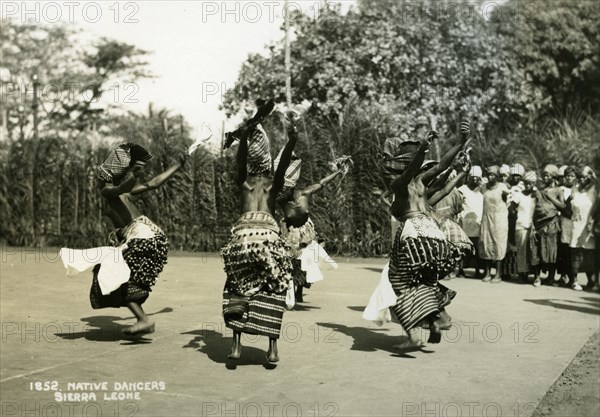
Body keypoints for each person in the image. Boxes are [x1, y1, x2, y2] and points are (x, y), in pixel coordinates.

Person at [61, 142, 189, 335]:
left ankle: (143, 319)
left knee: (112, 276)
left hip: (142, 236)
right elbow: (154, 183)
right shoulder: (125, 192)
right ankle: (141, 318)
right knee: (122, 276)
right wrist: (177, 165)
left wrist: (134, 176)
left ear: (104, 179)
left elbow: (119, 188)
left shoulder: (108, 192)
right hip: (154, 236)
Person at [220, 108, 298, 363]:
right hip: (267, 238)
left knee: (236, 284)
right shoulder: (273, 185)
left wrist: (243, 137)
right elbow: (285, 160)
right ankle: (272, 348)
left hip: (241, 238)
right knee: (274, 286)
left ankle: (235, 346)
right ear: (268, 165)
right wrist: (293, 138)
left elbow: (240, 160)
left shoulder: (244, 183)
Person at [383, 119, 469, 349]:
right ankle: (434, 321)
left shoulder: (398, 186)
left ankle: (413, 335)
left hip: (414, 233)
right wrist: (460, 142)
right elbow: (441, 167)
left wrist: (421, 149)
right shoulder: (421, 183)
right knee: (425, 279)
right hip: (434, 235)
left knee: (397, 282)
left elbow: (416, 169)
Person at [275, 153, 352, 302]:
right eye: (281, 188)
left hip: (306, 232)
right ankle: (288, 290)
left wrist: (338, 171)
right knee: (290, 263)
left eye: (285, 188)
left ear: (292, 188)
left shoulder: (304, 194)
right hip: (290, 234)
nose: (282, 191)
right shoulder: (280, 201)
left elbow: (322, 182)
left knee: (307, 263)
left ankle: (300, 289)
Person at [531, 164, 565, 287]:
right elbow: (535, 207)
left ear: (554, 176)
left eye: (548, 175)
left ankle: (550, 278)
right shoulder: (540, 191)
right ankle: (537, 277)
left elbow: (562, 206)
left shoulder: (558, 190)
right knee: (537, 251)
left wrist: (550, 196)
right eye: (544, 175)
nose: (545, 177)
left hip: (552, 224)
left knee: (552, 252)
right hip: (539, 224)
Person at [568, 166, 598, 291]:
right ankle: (574, 281)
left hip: (590, 224)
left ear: (590, 177)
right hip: (576, 223)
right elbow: (568, 205)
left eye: (584, 177)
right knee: (576, 251)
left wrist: (592, 222)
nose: (581, 179)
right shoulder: (574, 189)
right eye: (579, 177)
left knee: (589, 252)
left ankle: (591, 281)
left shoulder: (595, 188)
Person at [479, 166, 510, 282]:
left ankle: (498, 274)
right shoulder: (483, 188)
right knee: (486, 243)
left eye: (492, 175)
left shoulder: (503, 188)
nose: (490, 177)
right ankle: (487, 272)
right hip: (487, 219)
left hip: (499, 220)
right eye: (488, 174)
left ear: (497, 176)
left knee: (499, 245)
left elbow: (509, 203)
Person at [457, 166, 484, 277]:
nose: (474, 180)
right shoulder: (462, 190)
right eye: (472, 177)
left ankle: (477, 270)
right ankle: (460, 269)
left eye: (476, 178)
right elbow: (458, 205)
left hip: (478, 224)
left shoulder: (481, 192)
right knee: (464, 248)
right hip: (465, 223)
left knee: (477, 249)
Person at [511, 171, 537, 282]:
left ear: (534, 183)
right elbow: (511, 208)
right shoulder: (519, 194)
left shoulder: (536, 195)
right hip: (521, 226)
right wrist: (518, 216)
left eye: (530, 183)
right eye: (526, 183)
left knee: (532, 251)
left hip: (533, 227)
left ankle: (532, 274)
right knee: (521, 250)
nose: (528, 185)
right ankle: (522, 274)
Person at [557, 166, 577, 286]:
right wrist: (570, 215)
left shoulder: (579, 189)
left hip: (576, 222)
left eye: (572, 176)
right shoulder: (561, 189)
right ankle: (563, 275)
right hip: (565, 221)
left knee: (573, 248)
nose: (569, 178)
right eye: (567, 176)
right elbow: (561, 206)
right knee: (564, 248)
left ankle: (573, 277)